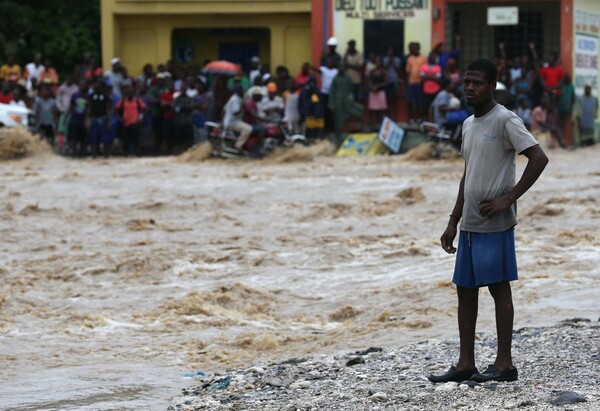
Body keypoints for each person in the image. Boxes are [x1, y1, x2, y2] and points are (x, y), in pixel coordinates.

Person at [429, 58, 548, 384]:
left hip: (495, 223)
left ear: (492, 86)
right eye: (467, 82)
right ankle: (465, 363)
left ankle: (504, 363)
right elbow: (468, 174)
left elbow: (539, 158)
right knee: (465, 290)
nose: (470, 87)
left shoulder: (505, 120)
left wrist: (509, 199)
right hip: (468, 224)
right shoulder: (468, 124)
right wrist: (453, 219)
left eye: (477, 82)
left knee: (498, 289)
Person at [117, 84, 147, 156]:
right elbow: (117, 109)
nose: (130, 94)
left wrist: (141, 117)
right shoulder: (123, 101)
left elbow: (144, 109)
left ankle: (138, 153)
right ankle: (125, 153)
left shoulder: (137, 101)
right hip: (126, 123)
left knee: (137, 139)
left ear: (134, 93)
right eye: (128, 92)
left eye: (131, 92)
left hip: (135, 122)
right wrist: (120, 118)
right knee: (125, 139)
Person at [87, 79, 113, 157]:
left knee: (106, 138)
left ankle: (106, 155)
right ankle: (94, 154)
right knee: (93, 138)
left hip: (103, 118)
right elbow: (89, 107)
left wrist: (109, 120)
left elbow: (108, 108)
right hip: (94, 118)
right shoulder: (91, 96)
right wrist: (87, 119)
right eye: (96, 85)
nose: (98, 87)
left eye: (99, 85)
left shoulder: (106, 96)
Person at [223, 84, 253, 150]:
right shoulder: (236, 99)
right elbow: (235, 112)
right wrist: (243, 106)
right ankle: (238, 146)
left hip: (229, 121)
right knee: (248, 129)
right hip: (233, 122)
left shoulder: (234, 98)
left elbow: (224, 110)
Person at [298, 75, 325, 141]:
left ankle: (318, 142)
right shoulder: (304, 90)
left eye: (313, 82)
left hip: (318, 115)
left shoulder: (317, 91)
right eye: (310, 82)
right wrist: (302, 113)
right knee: (310, 132)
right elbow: (301, 103)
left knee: (319, 131)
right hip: (309, 115)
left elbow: (320, 102)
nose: (311, 84)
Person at [68, 81, 90, 157]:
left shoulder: (88, 96)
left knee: (83, 138)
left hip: (83, 120)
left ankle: (81, 154)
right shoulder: (74, 95)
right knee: (74, 138)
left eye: (84, 85)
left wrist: (87, 119)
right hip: (75, 119)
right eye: (81, 85)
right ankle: (74, 153)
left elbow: (89, 108)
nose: (82, 86)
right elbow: (70, 106)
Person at [406, 42, 427, 120]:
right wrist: (408, 82)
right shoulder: (409, 58)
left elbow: (425, 70)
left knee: (419, 101)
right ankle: (413, 118)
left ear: (418, 48)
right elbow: (408, 72)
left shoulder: (423, 58)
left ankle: (419, 118)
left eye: (416, 48)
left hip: (420, 82)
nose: (414, 50)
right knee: (412, 101)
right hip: (411, 83)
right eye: (413, 48)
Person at [172, 81, 195, 152]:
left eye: (185, 89)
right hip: (179, 121)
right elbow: (174, 108)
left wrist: (182, 108)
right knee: (179, 138)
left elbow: (191, 108)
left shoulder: (189, 98)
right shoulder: (177, 98)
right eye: (182, 89)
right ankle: (179, 151)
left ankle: (188, 151)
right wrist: (182, 108)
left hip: (187, 121)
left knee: (188, 138)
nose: (183, 90)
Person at [367, 56, 388, 130]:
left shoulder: (383, 71)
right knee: (373, 111)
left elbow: (386, 81)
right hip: (373, 93)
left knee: (381, 111)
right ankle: (374, 127)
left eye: (379, 61)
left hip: (381, 92)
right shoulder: (372, 71)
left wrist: (377, 86)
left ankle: (381, 127)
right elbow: (368, 81)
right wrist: (372, 87)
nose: (378, 62)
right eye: (376, 61)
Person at [420, 52, 443, 120]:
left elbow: (438, 79)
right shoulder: (423, 66)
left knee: (434, 107)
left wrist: (427, 75)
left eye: (435, 57)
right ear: (429, 57)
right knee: (425, 107)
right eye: (433, 57)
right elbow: (422, 78)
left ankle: (433, 122)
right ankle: (425, 122)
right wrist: (433, 76)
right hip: (425, 90)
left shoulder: (438, 67)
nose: (434, 58)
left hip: (435, 91)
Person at [383, 46, 402, 121]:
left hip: (395, 81)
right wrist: (389, 62)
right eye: (389, 51)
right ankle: (388, 115)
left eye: (391, 51)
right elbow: (384, 68)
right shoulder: (385, 59)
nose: (390, 53)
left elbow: (398, 68)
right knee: (387, 99)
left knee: (395, 99)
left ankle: (395, 116)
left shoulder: (397, 59)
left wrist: (393, 62)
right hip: (387, 81)